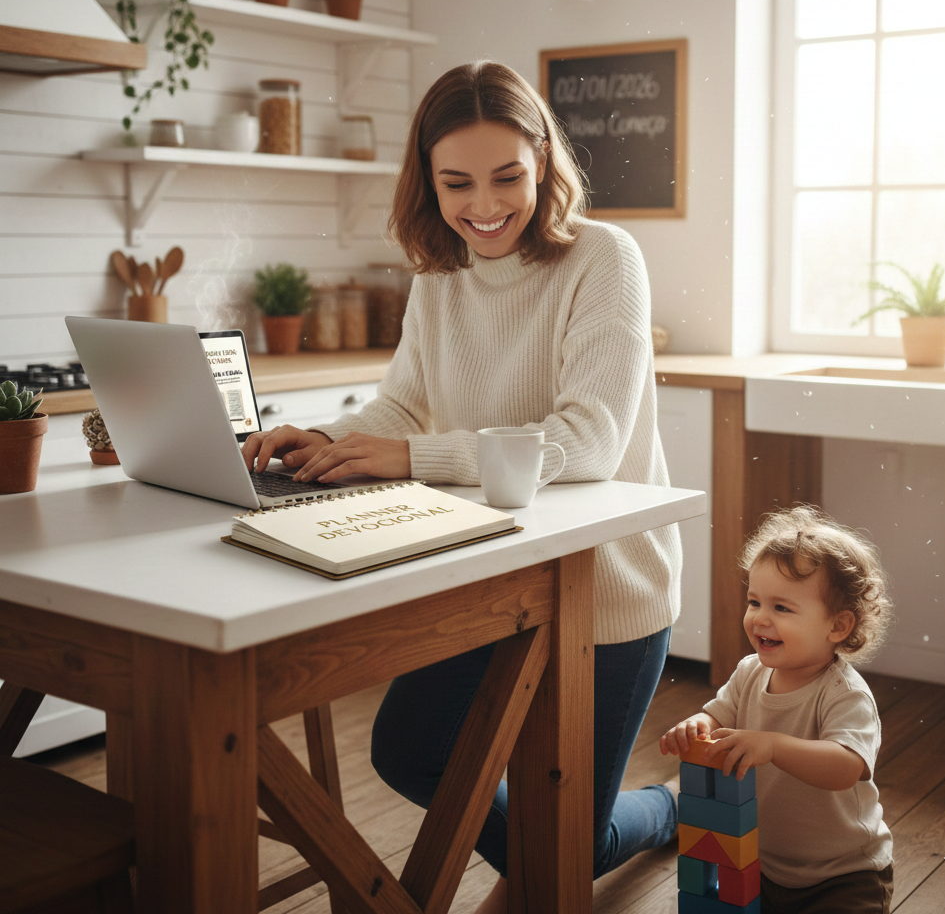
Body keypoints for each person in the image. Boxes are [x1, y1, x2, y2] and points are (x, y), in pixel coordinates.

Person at [242, 60, 683, 912]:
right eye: (457, 183)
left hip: (605, 587)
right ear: (427, 179)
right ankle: (562, 854)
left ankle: (665, 808)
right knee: (411, 752)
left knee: (571, 843)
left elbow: (589, 442)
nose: (484, 205)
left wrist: (412, 458)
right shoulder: (439, 275)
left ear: (544, 159)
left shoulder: (604, 258)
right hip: (485, 580)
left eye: (507, 176)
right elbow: (405, 404)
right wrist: (328, 440)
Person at [660, 505, 894, 914]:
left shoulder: (844, 694)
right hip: (763, 865)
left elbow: (846, 767)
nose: (760, 619)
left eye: (781, 608)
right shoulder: (749, 672)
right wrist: (696, 725)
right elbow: (718, 715)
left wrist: (773, 746)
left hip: (843, 875)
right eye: (755, 602)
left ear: (838, 626)